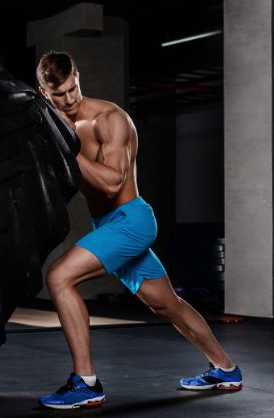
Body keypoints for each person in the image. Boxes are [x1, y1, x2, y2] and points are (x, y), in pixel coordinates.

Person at [35, 51, 242, 409]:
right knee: (166, 304)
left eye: (73, 89)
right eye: (60, 95)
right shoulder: (56, 124)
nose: (69, 99)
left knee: (58, 278)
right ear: (44, 94)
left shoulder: (110, 119)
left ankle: (86, 383)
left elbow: (113, 184)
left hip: (132, 221)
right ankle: (226, 368)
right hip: (110, 225)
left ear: (78, 76)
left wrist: (66, 146)